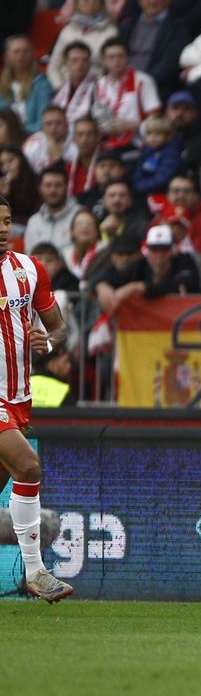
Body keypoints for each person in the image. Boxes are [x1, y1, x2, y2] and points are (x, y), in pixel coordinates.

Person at [0, 193, 72, 600]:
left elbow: (58, 328)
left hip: (18, 397)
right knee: (28, 468)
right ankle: (37, 572)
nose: (3, 228)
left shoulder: (30, 270)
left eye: (8, 220)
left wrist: (49, 340)